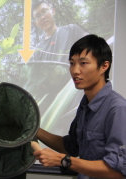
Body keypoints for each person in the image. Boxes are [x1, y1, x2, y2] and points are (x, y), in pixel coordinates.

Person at [33, 34, 126, 179]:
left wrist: (62, 160)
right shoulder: (84, 105)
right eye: (72, 63)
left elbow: (117, 171)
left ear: (104, 66)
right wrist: (34, 130)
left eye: (83, 63)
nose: (75, 71)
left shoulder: (118, 109)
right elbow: (70, 146)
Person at [19, 0, 87, 119]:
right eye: (38, 16)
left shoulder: (71, 30)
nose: (42, 17)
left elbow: (94, 49)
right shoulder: (38, 52)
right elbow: (37, 84)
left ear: (53, 11)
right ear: (35, 23)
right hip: (52, 112)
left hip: (77, 101)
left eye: (44, 11)